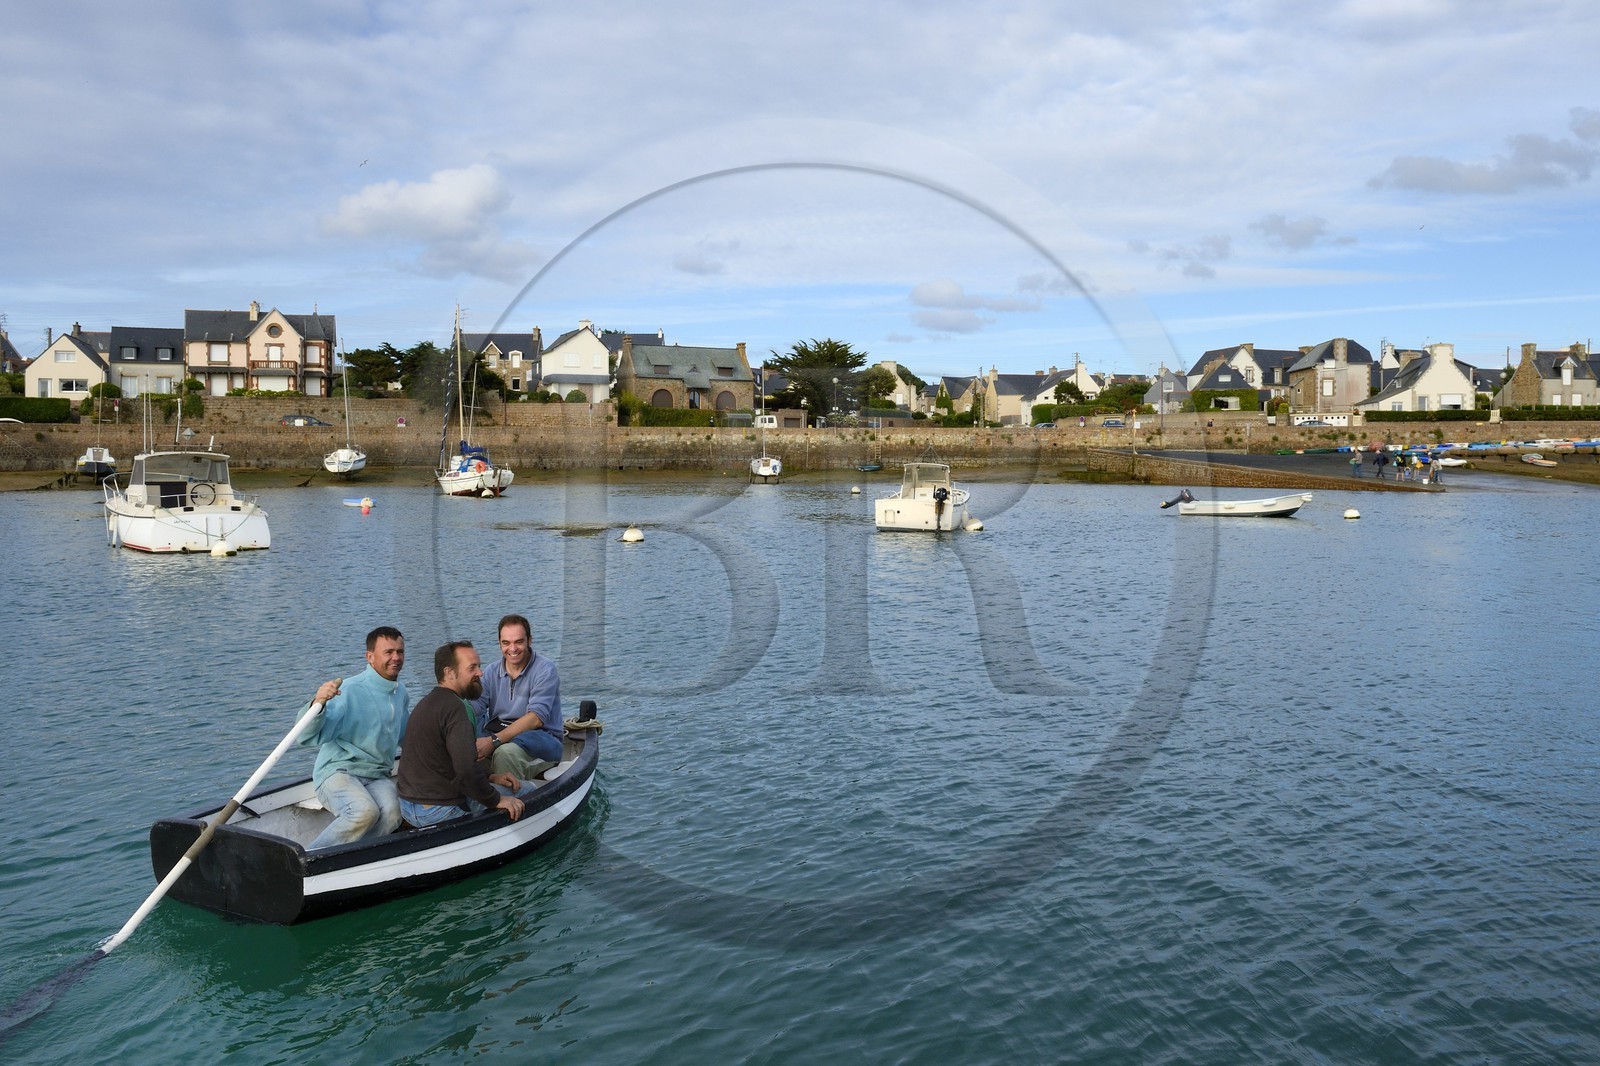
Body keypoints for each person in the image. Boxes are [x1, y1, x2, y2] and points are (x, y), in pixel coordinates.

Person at [297, 626, 411, 850]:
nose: (396, 658)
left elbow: (406, 737)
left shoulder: (401, 693)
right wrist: (317, 703)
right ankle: (310, 859)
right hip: (339, 772)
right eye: (388, 652)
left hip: (377, 775)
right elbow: (305, 735)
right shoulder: (348, 690)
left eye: (400, 651)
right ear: (370, 657)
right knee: (364, 811)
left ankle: (353, 858)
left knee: (392, 813)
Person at [396, 641, 533, 828]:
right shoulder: (456, 709)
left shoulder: (427, 703)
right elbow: (466, 769)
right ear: (449, 673)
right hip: (437, 810)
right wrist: (496, 800)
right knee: (529, 790)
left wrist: (490, 777)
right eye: (472, 668)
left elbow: (452, 761)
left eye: (479, 665)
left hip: (409, 806)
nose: (480, 673)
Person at [472, 614, 564, 779]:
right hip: (499, 732)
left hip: (540, 738)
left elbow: (536, 718)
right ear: (499, 644)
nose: (512, 649)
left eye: (519, 642)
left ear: (529, 640)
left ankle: (511, 800)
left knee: (505, 754)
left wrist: (494, 741)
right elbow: (475, 707)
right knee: (463, 747)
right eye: (506, 643)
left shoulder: (545, 670)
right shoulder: (490, 672)